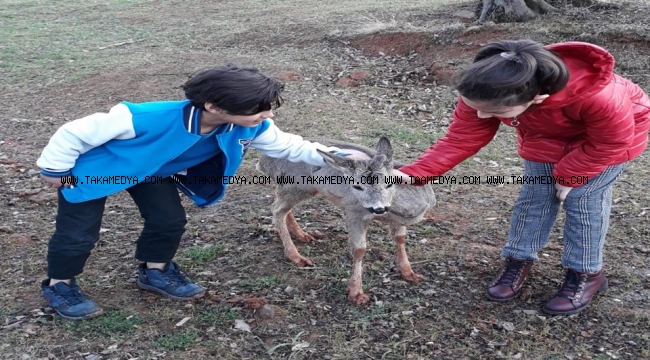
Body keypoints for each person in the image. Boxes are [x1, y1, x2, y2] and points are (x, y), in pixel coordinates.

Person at [37, 64, 358, 320]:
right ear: (213, 106)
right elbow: (73, 132)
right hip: (96, 172)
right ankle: (60, 286)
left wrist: (341, 156)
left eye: (269, 108)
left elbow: (290, 146)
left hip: (153, 172)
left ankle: (155, 271)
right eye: (259, 109)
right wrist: (56, 170)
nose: (268, 115)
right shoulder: (147, 117)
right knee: (78, 234)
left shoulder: (251, 125)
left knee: (168, 220)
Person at [393, 40, 650, 315]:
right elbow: (463, 136)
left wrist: (571, 176)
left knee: (582, 202)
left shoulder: (600, 96)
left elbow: (611, 142)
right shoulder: (483, 88)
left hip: (605, 145)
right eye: (475, 106)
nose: (481, 115)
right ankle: (519, 259)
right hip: (545, 139)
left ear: (537, 97)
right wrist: (416, 172)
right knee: (535, 198)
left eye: (495, 112)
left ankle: (586, 273)